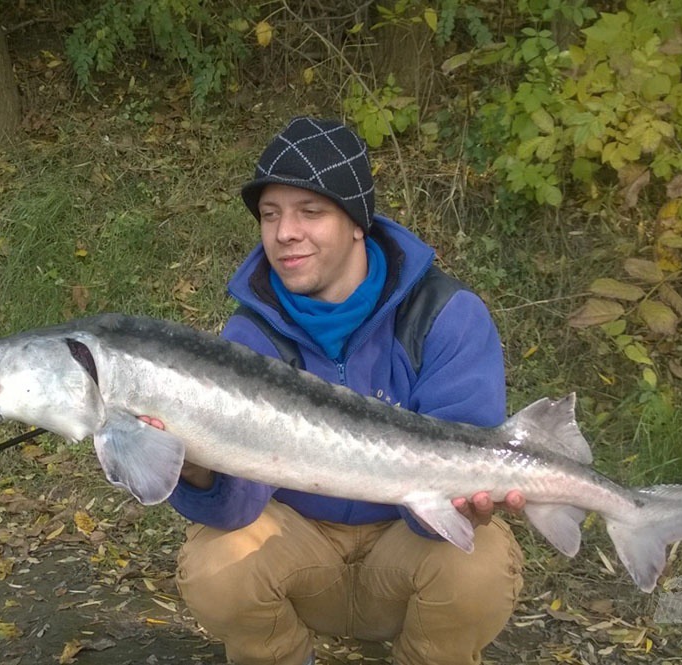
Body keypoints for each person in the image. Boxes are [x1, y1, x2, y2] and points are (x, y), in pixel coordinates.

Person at [162, 117, 526, 665]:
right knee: (217, 567)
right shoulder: (248, 335)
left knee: (476, 566)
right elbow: (235, 507)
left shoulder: (445, 316)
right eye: (270, 215)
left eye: (311, 212)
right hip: (300, 547)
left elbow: (464, 454)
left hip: (406, 549)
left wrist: (462, 502)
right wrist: (194, 466)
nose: (285, 232)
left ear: (357, 223)